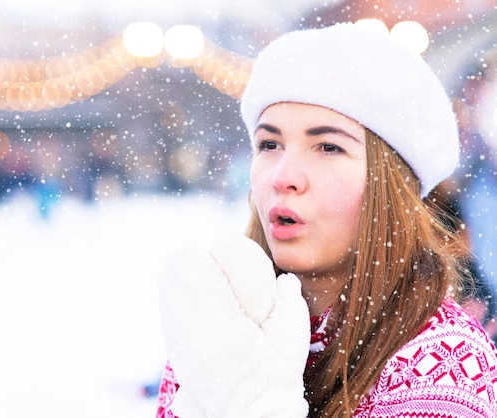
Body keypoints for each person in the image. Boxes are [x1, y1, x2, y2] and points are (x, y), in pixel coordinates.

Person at [155, 23, 497, 417]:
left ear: (388, 187)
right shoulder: (219, 327)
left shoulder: (443, 358)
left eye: (328, 147)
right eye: (269, 144)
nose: (283, 175)